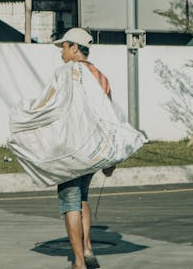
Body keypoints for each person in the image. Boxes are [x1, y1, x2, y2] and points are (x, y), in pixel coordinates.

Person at [52, 28, 115, 269]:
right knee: (83, 198)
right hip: (93, 150)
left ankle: (78, 262)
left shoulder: (65, 74)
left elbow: (51, 110)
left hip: (71, 150)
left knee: (70, 201)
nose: (61, 53)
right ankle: (87, 248)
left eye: (64, 47)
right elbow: (110, 118)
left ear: (75, 48)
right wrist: (110, 158)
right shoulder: (102, 77)